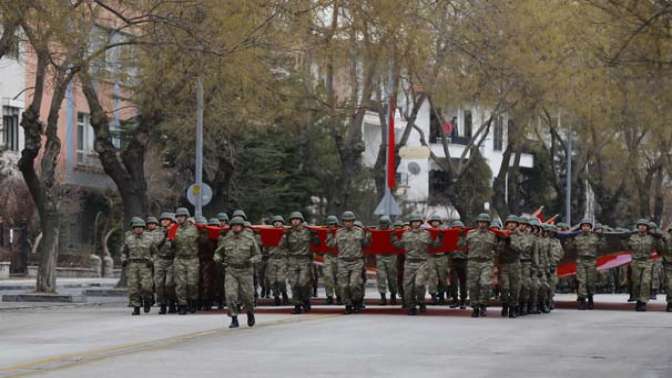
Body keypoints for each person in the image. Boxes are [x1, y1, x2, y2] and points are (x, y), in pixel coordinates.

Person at [214, 216, 261, 328]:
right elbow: (218, 252)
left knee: (248, 297)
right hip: (231, 270)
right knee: (230, 295)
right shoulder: (227, 239)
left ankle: (250, 313)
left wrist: (251, 260)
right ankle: (234, 318)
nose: (236, 227)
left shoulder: (249, 239)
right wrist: (217, 258)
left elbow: (258, 255)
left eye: (238, 225)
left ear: (242, 227)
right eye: (234, 226)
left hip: (246, 270)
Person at [391, 213, 440, 315]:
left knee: (419, 284)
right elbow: (399, 245)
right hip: (409, 263)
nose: (416, 224)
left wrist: (440, 237)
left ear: (421, 223)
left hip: (422, 263)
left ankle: (421, 301)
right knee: (408, 287)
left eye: (418, 222)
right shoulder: (405, 234)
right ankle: (411, 306)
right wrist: (393, 237)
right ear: (411, 223)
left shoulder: (426, 234)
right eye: (414, 222)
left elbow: (434, 245)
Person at [328, 211, 370, 314]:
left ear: (353, 221)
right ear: (343, 222)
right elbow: (331, 245)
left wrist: (368, 235)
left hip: (356, 261)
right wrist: (329, 235)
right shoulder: (339, 232)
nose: (348, 223)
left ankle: (357, 301)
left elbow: (366, 245)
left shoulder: (359, 231)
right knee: (343, 285)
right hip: (342, 262)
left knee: (354, 284)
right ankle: (348, 304)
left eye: (350, 221)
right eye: (346, 221)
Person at [279, 211, 320, 314]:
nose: (295, 221)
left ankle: (306, 300)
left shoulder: (308, 231)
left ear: (301, 221)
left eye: (297, 219)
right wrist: (284, 236)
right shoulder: (288, 233)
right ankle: (297, 304)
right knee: (294, 283)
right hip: (292, 260)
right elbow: (281, 246)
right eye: (293, 220)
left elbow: (317, 243)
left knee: (303, 283)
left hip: (305, 260)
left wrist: (315, 236)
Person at [566, 218, 606, 310]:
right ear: (581, 227)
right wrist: (568, 238)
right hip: (581, 261)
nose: (585, 228)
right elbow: (569, 248)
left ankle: (591, 298)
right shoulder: (577, 237)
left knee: (590, 282)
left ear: (590, 227)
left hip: (592, 262)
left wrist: (603, 237)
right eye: (584, 226)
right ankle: (582, 300)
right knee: (582, 281)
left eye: (587, 226)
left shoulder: (595, 237)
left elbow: (603, 247)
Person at [624, 219, 663, 311]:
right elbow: (626, 248)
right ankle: (637, 299)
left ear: (647, 228)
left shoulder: (651, 238)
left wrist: (659, 238)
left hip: (647, 261)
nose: (642, 227)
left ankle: (643, 302)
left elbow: (660, 248)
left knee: (645, 282)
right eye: (640, 225)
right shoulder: (632, 237)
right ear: (637, 227)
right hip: (635, 262)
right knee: (636, 282)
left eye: (644, 225)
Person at [121, 217, 157, 315]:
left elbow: (155, 253)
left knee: (147, 287)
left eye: (140, 227)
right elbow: (124, 252)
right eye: (136, 227)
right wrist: (123, 259)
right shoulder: (129, 239)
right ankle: (136, 307)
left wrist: (152, 260)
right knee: (133, 287)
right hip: (132, 265)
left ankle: (147, 301)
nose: (138, 229)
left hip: (145, 265)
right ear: (133, 229)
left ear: (143, 228)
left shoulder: (149, 239)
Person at [463, 213, 497, 317]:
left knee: (485, 284)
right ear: (477, 223)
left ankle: (483, 304)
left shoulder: (492, 235)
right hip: (473, 262)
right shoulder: (470, 234)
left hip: (486, 262)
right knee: (473, 286)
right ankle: (475, 307)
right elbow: (463, 247)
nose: (482, 224)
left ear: (488, 224)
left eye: (484, 222)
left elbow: (497, 249)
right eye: (480, 222)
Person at [172, 207, 200, 315]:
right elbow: (170, 242)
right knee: (180, 284)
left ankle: (193, 302)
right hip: (179, 259)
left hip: (192, 259)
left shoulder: (195, 228)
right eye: (178, 217)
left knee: (192, 283)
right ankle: (182, 305)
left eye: (181, 216)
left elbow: (203, 239)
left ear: (186, 217)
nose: (179, 219)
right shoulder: (174, 229)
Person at [497, 215, 522, 318]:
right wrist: (503, 241)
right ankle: (505, 305)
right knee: (505, 287)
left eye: (513, 223)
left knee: (514, 288)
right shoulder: (501, 235)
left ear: (516, 225)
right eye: (509, 223)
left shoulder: (520, 236)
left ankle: (513, 307)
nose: (511, 225)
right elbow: (497, 250)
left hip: (515, 264)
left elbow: (520, 249)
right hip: (504, 265)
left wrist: (510, 243)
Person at [151, 213, 176, 314]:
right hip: (160, 260)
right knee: (158, 284)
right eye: (163, 220)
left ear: (170, 221)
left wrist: (172, 237)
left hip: (171, 260)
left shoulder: (175, 230)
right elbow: (154, 245)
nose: (165, 221)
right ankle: (162, 304)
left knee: (169, 284)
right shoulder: (156, 232)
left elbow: (178, 245)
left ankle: (172, 302)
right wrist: (164, 236)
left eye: (167, 220)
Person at [266, 215, 289, 306]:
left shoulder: (286, 234)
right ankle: (276, 296)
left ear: (282, 223)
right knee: (272, 281)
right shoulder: (269, 233)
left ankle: (284, 293)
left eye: (279, 222)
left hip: (282, 259)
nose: (277, 223)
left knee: (281, 279)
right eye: (275, 222)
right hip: (271, 259)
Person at [375, 216, 398, 305]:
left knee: (392, 277)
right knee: (381, 277)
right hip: (380, 256)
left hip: (391, 256)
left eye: (385, 224)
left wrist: (393, 236)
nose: (383, 226)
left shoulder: (393, 231)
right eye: (382, 224)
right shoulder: (377, 231)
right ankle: (383, 296)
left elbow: (396, 243)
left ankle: (393, 295)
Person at [427, 214, 449, 305]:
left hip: (442, 257)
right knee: (432, 277)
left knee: (442, 277)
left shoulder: (444, 231)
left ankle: (441, 295)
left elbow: (449, 243)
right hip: (431, 257)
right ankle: (433, 296)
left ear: (439, 222)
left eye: (436, 221)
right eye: (433, 221)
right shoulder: (427, 232)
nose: (435, 223)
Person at [448, 220, 468, 309]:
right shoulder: (450, 237)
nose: (457, 229)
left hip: (464, 261)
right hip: (453, 261)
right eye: (455, 228)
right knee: (453, 282)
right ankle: (455, 299)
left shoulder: (467, 237)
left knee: (463, 282)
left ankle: (463, 300)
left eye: (459, 228)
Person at [322, 215, 340, 305]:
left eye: (333, 224)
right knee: (328, 276)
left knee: (339, 278)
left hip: (339, 257)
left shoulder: (341, 232)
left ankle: (339, 296)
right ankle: (329, 296)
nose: (331, 226)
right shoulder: (323, 232)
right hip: (328, 256)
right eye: (330, 224)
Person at [662, 224, 672, 312]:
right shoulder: (665, 238)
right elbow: (660, 248)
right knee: (669, 285)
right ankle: (670, 303)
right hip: (669, 264)